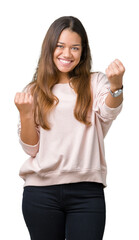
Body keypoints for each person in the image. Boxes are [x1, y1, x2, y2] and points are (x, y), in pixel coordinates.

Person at [14, 16, 125, 240]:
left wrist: (116, 86)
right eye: (60, 46)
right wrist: (25, 114)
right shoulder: (34, 90)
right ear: (50, 48)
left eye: (75, 48)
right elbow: (31, 149)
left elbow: (108, 111)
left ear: (83, 52)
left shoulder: (95, 82)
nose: (67, 54)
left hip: (86, 192)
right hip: (40, 192)